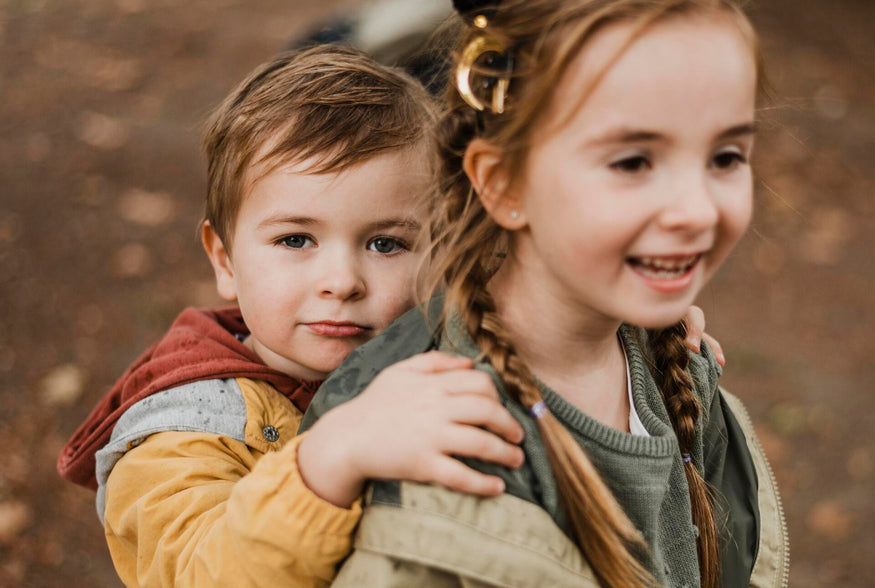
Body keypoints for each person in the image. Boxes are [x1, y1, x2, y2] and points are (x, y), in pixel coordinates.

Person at [56, 41, 723, 588]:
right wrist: (326, 461)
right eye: (295, 240)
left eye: (386, 243)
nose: (341, 281)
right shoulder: (179, 434)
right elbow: (201, 571)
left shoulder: (438, 339)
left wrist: (631, 326)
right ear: (224, 259)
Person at [300, 1, 789, 587]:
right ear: (503, 183)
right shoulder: (430, 443)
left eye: (726, 156)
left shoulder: (678, 367)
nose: (696, 210)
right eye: (633, 161)